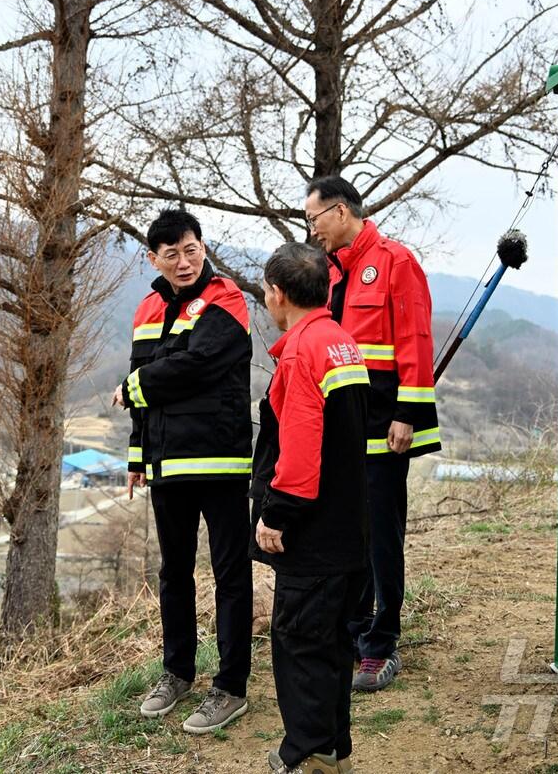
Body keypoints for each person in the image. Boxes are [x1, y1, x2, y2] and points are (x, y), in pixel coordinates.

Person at [114, 208, 254, 734]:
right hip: (165, 464)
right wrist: (137, 454)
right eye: (170, 253)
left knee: (230, 574)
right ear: (154, 259)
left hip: (219, 459)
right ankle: (177, 673)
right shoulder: (147, 307)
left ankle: (231, 686)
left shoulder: (227, 298)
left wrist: (138, 385)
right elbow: (142, 385)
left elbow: (200, 364)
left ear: (203, 247)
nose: (183, 260)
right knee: (173, 573)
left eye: (191, 249)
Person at [304, 176, 441, 693]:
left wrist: (408, 413)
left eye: (313, 219)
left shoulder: (393, 262)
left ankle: (381, 644)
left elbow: (414, 339)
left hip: (385, 426)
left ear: (340, 212)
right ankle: (353, 630)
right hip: (341, 427)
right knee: (348, 533)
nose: (311, 230)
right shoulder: (331, 273)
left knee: (382, 536)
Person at [252, 242, 370, 774]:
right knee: (332, 649)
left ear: (278, 294)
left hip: (314, 535)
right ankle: (333, 751)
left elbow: (300, 452)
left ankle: (304, 755)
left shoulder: (301, 352)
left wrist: (276, 515)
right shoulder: (342, 341)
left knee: (300, 646)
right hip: (349, 530)